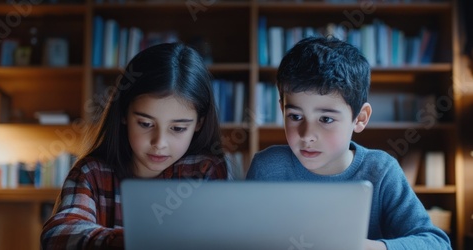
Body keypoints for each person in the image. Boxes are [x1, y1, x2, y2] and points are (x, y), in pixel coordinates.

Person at [246, 36, 451, 250]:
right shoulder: (266, 167)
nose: (307, 135)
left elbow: (437, 244)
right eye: (295, 116)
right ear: (282, 110)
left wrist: (371, 248)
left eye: (326, 119)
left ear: (360, 118)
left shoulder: (381, 171)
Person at [41, 42, 227, 249]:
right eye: (146, 124)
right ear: (123, 115)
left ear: (199, 123)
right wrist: (129, 241)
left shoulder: (204, 170)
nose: (160, 143)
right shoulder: (92, 173)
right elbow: (57, 235)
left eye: (178, 128)